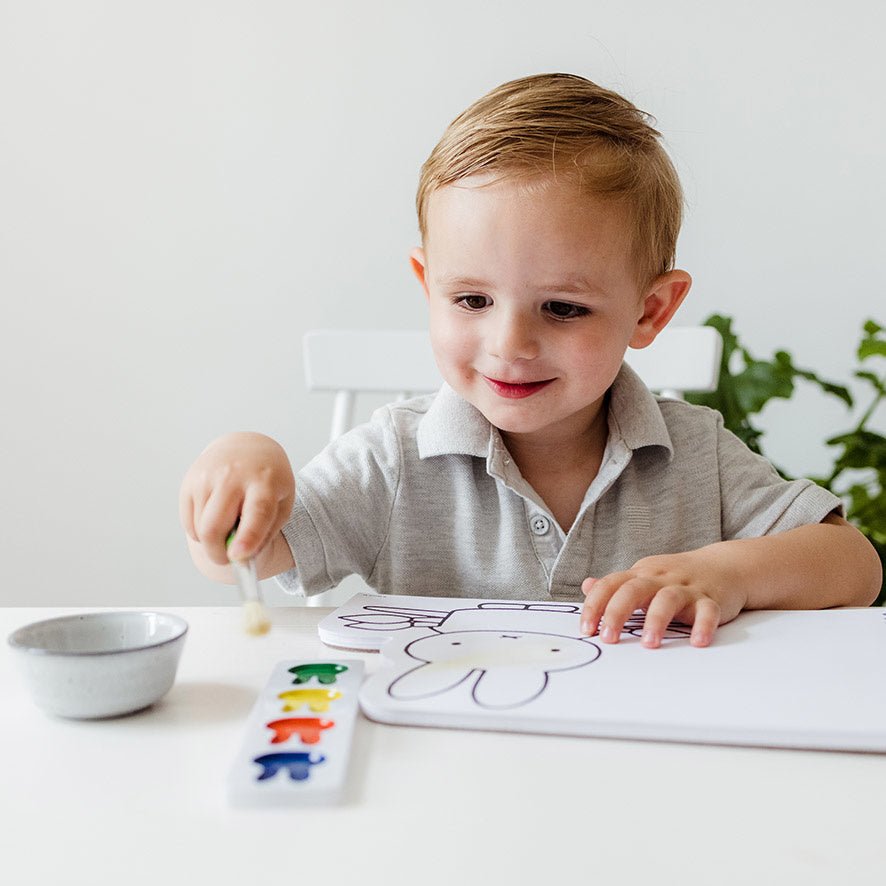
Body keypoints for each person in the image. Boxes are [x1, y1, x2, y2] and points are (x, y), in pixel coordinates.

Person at [179, 73, 881, 649]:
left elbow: (855, 564)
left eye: (563, 308)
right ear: (428, 286)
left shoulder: (696, 454)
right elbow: (247, 555)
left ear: (649, 312)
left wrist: (728, 572)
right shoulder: (394, 459)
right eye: (472, 299)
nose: (509, 344)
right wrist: (240, 468)